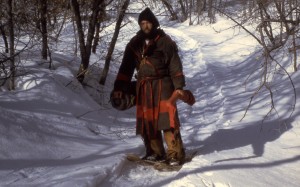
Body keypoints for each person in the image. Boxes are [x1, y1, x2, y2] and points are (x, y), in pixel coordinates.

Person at [111, 7, 195, 166]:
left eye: (148, 22)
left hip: (164, 85)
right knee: (147, 120)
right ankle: (155, 152)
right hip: (144, 87)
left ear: (153, 23)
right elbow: (126, 67)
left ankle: (176, 153)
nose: (145, 26)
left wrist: (179, 86)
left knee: (167, 119)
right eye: (142, 23)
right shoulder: (134, 43)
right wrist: (119, 87)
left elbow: (174, 65)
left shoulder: (165, 41)